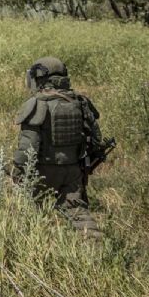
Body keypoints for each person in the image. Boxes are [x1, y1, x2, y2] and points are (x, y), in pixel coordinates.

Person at [14, 56, 103, 238]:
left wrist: (18, 172)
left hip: (43, 170)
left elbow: (28, 146)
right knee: (79, 214)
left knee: (32, 215)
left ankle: (39, 251)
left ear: (38, 78)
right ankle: (94, 251)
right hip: (73, 171)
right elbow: (95, 139)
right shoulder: (79, 102)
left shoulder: (38, 103)